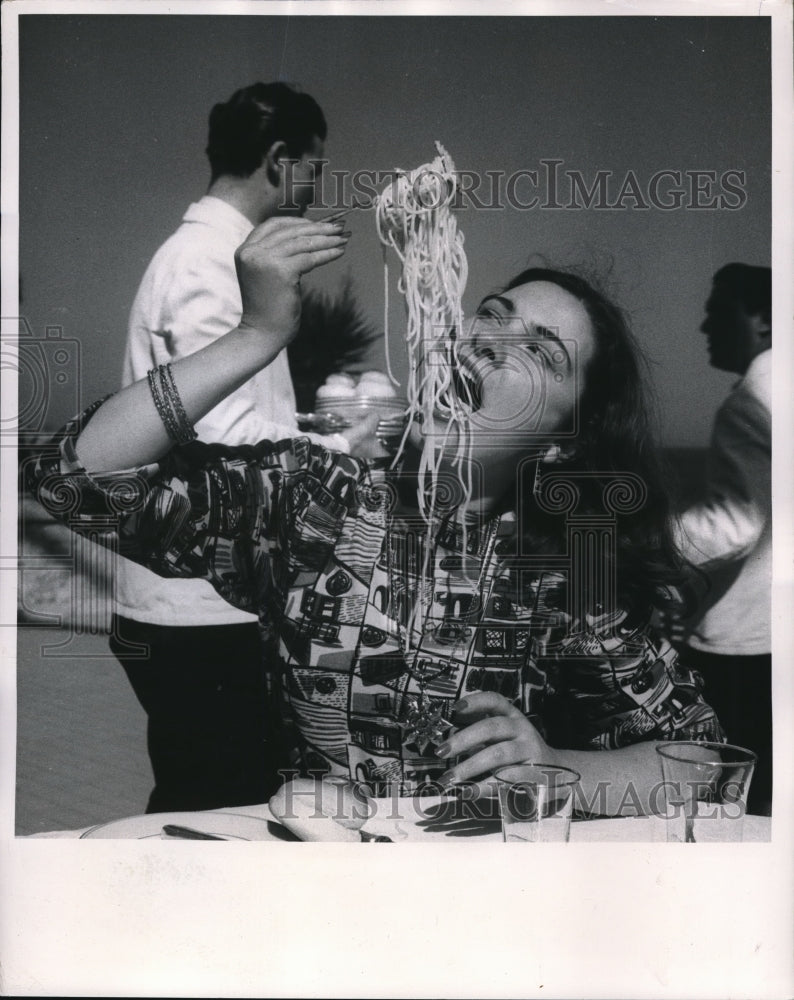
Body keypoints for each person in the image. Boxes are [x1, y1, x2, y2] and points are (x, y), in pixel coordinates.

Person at [29, 217, 723, 816]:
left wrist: (556, 767)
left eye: (541, 351)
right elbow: (76, 477)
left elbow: (702, 756)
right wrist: (256, 333)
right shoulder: (316, 501)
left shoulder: (570, 564)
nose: (490, 341)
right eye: (490, 313)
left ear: (559, 439)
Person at [113, 82, 372, 813]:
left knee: (205, 792)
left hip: (190, 598)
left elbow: (222, 418)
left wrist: (308, 434)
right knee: (217, 809)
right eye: (314, 168)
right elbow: (221, 440)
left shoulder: (207, 253)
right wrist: (340, 456)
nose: (316, 188)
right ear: (280, 158)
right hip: (202, 606)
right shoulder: (209, 262)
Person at [673, 263, 772, 816]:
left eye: (717, 312)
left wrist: (641, 549)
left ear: (762, 319)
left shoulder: (750, 402)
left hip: (745, 640)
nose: (704, 326)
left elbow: (736, 522)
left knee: (728, 791)